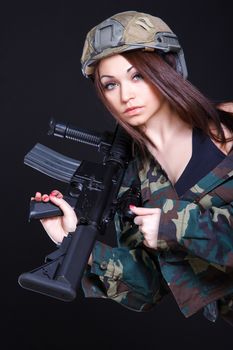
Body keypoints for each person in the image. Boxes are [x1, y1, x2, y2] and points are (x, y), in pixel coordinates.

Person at [33, 11, 233, 325]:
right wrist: (76, 244)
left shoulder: (229, 125)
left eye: (137, 75)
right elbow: (149, 287)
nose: (126, 95)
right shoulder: (133, 177)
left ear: (170, 69)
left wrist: (176, 225)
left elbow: (179, 227)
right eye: (110, 85)